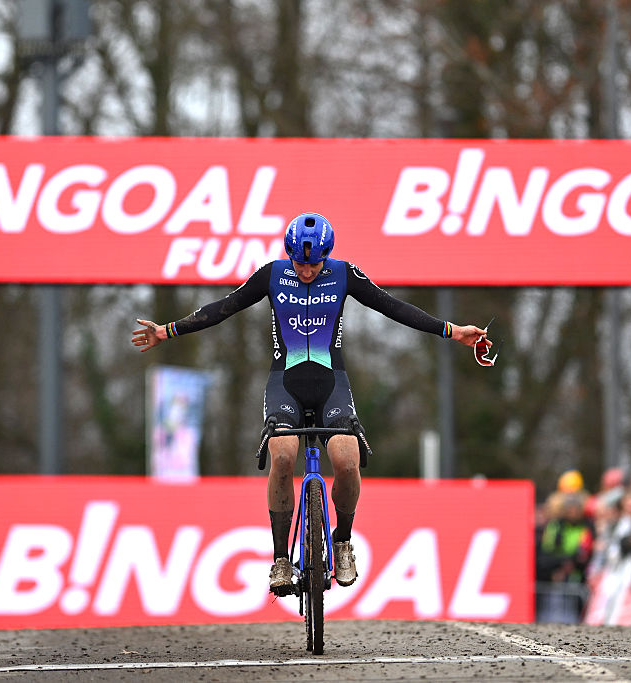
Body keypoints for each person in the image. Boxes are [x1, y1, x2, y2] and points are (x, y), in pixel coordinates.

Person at [131, 211, 487, 593]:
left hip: (332, 382)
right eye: (299, 264)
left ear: (326, 256)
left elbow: (393, 307)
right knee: (283, 455)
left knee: (347, 461)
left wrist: (452, 331)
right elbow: (224, 307)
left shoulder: (345, 274)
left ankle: (343, 541)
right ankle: (281, 559)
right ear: (288, 255)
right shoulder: (272, 274)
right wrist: (167, 331)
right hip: (284, 382)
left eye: (314, 264)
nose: (305, 271)